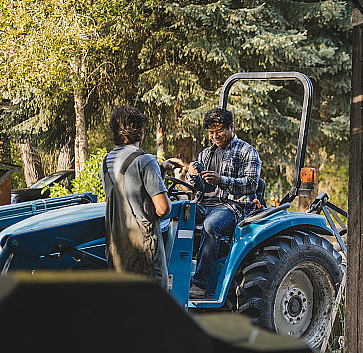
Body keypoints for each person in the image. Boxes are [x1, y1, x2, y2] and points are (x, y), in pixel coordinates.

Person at [101, 106, 185, 288]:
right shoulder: (145, 160)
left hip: (116, 243)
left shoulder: (106, 161)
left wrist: (161, 168)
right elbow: (163, 209)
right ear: (139, 131)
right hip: (143, 245)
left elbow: (128, 187)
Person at [186, 107, 261, 299]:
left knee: (211, 225)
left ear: (231, 127)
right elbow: (199, 187)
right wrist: (193, 176)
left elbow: (251, 184)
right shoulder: (205, 154)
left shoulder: (246, 151)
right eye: (211, 132)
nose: (214, 136)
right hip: (205, 203)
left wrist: (222, 180)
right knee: (175, 216)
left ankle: (200, 283)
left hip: (234, 206)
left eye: (219, 131)